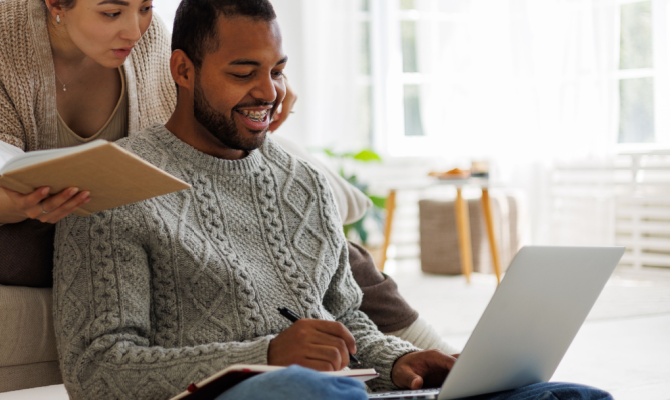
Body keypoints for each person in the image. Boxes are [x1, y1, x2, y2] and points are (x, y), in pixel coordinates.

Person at [52, 1, 613, 399]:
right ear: (183, 70)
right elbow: (96, 373)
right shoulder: (115, 188)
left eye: (276, 72)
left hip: (333, 391)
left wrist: (401, 361)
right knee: (306, 389)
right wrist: (268, 356)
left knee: (569, 396)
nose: (268, 94)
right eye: (243, 72)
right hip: (248, 395)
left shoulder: (307, 183)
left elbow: (348, 324)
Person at [0, 0, 455, 355]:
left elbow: (189, 136)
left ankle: (429, 346)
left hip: (130, 199)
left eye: (144, 7)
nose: (134, 28)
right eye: (111, 11)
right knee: (7, 253)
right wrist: (21, 204)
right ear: (56, 3)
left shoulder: (148, 40)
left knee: (317, 235)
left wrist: (261, 85)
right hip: (23, 214)